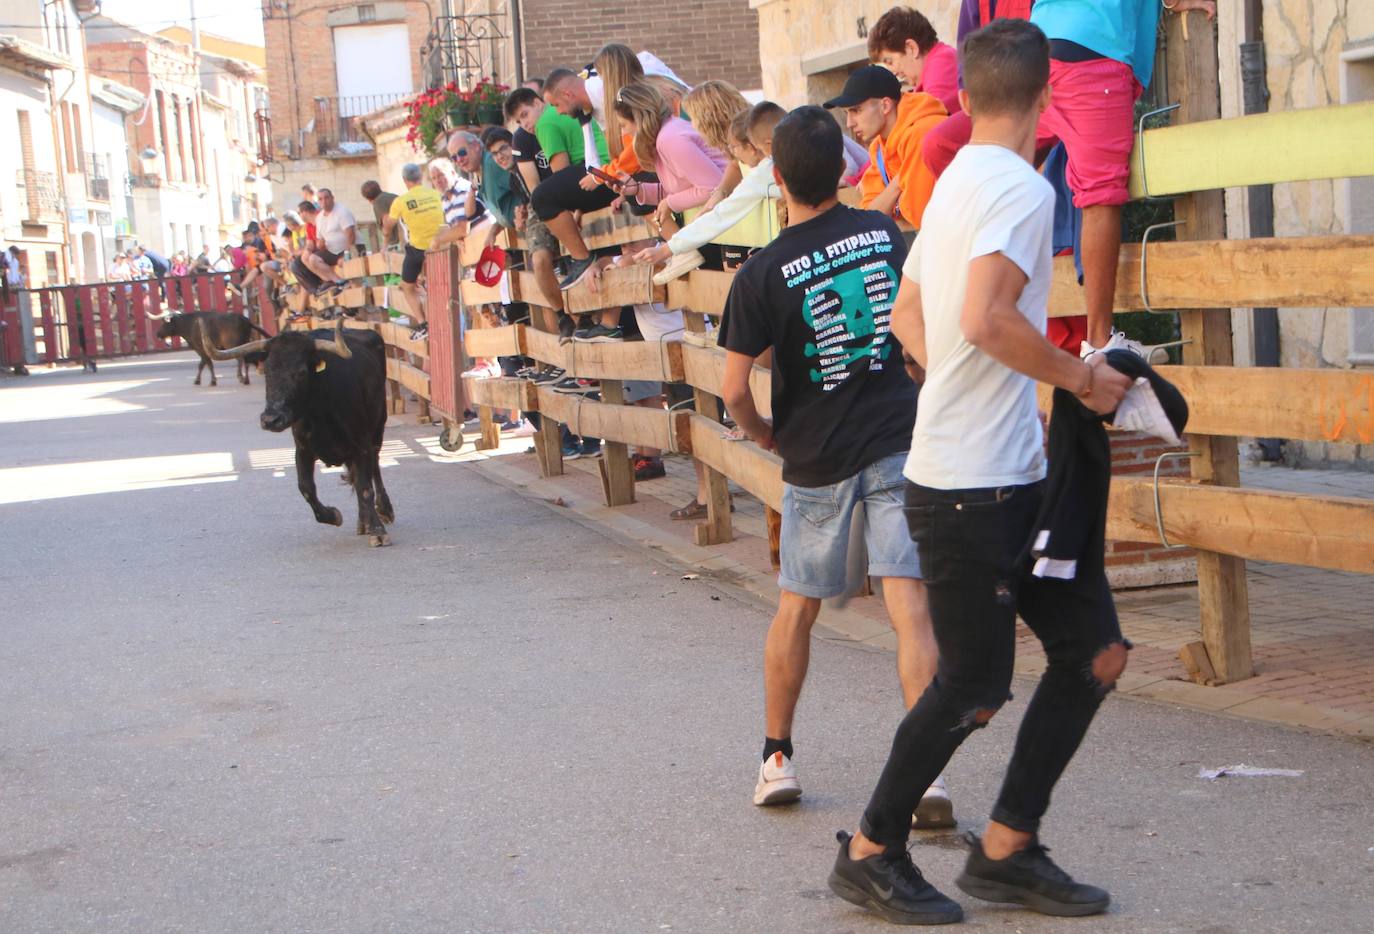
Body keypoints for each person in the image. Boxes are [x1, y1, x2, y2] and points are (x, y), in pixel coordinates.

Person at [828, 21, 1134, 925]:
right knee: (973, 684)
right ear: (1046, 99)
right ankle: (872, 851)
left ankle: (1007, 850)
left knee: (1095, 654)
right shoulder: (1018, 189)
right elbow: (989, 317)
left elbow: (911, 316)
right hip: (969, 485)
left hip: (999, 470)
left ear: (963, 99)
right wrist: (1082, 379)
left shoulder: (957, 174)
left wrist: (967, 389)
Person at [716, 104, 949, 825]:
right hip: (894, 439)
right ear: (845, 171)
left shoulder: (760, 274)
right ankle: (928, 777)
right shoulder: (883, 234)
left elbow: (732, 389)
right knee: (909, 605)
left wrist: (763, 434)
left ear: (776, 178)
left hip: (815, 455)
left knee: (799, 607)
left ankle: (776, 758)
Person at [632, 98, 781, 283]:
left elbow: (721, 216)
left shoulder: (764, 173)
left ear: (753, 147)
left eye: (734, 147)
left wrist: (664, 250)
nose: (733, 155)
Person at [825, 65, 946, 229]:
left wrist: (891, 203)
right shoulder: (879, 147)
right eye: (847, 114)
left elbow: (917, 214)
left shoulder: (921, 133)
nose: (849, 123)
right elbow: (870, 215)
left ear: (885, 106)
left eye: (856, 110)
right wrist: (898, 183)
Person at [531, 67, 614, 288]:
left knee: (541, 197)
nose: (556, 111)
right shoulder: (588, 107)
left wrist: (607, 179)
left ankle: (581, 258)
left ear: (567, 95)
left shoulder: (546, 123)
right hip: (607, 172)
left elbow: (561, 170)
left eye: (555, 105)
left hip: (615, 173)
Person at [504, 87, 563, 309]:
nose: (525, 124)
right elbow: (534, 188)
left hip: (574, 193)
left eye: (525, 114)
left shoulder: (562, 119)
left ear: (539, 103)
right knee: (538, 260)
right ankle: (561, 314)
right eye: (519, 121)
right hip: (544, 201)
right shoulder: (521, 140)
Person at [381, 162, 445, 340]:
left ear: (405, 180)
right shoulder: (435, 194)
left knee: (406, 287)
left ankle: (423, 322)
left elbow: (390, 225)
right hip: (441, 245)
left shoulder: (400, 201)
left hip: (418, 249)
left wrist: (385, 228)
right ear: (421, 177)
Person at [867, 6, 961, 115]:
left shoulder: (941, 68)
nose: (892, 71)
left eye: (890, 61)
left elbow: (929, 123)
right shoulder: (938, 65)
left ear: (911, 48)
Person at [295, 200, 346, 295]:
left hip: (336, 249)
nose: (299, 216)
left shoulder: (322, 217)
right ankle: (329, 281)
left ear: (304, 212)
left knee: (313, 258)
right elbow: (310, 243)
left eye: (299, 213)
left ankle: (339, 281)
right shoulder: (309, 225)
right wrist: (307, 250)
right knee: (305, 257)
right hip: (325, 250)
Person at [361, 180, 400, 247]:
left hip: (398, 243)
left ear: (368, 199)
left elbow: (387, 224)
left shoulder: (378, 202)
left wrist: (384, 245)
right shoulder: (394, 196)